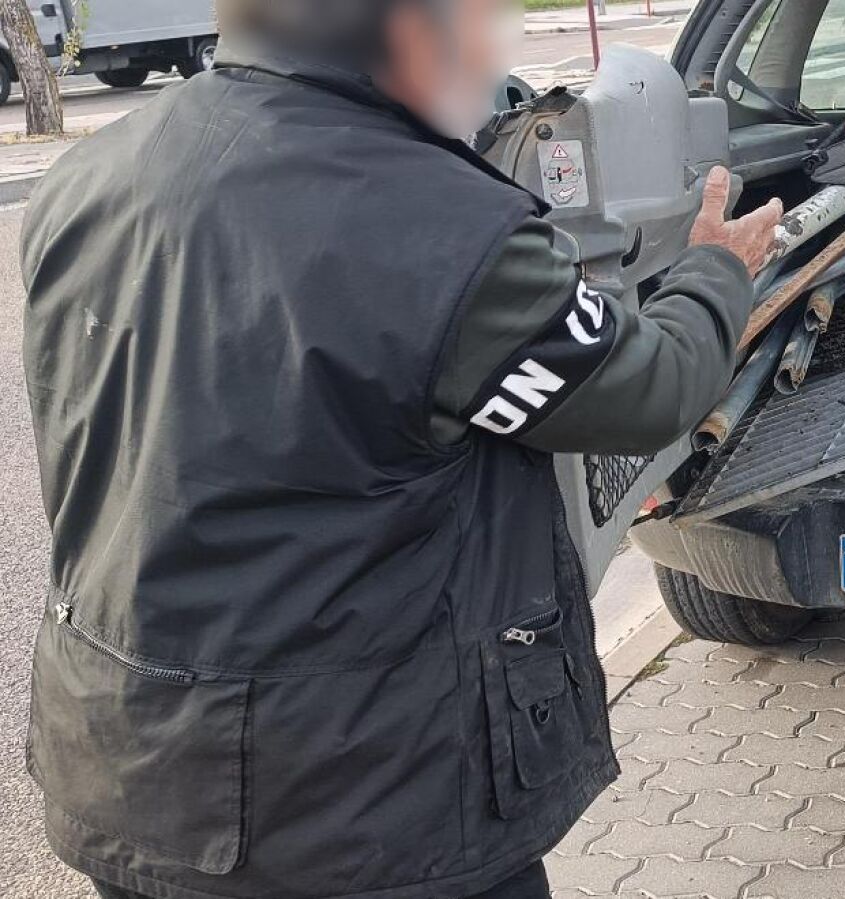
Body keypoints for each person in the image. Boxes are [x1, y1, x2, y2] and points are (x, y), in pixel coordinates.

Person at [18, 0, 782, 897]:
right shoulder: (447, 233)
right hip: (359, 812)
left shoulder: (85, 177)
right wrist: (716, 268)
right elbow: (651, 387)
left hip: (124, 768)